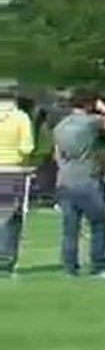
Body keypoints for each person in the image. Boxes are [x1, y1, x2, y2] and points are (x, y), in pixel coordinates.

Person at [52, 89, 105, 279]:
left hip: (64, 181)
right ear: (89, 105)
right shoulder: (90, 122)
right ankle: (99, 266)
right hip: (86, 180)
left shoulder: (60, 126)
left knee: (70, 228)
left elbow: (57, 156)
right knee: (98, 223)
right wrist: (102, 107)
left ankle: (70, 268)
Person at [0, 80, 35, 277]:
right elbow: (26, 147)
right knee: (10, 218)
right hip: (11, 170)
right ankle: (5, 262)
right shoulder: (20, 118)